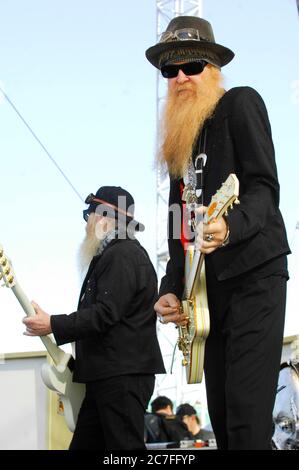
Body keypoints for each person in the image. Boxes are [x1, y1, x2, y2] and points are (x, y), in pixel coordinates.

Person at [146, 16, 291, 450]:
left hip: (254, 277)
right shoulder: (178, 146)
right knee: (225, 423)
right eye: (170, 70)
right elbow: (179, 233)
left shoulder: (240, 104)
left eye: (191, 65)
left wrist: (231, 226)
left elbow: (265, 188)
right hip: (207, 297)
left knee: (248, 422)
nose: (180, 77)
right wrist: (172, 288)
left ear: (213, 68)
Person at [22, 185, 165, 451]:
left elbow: (105, 314)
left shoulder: (122, 254)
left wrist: (53, 323)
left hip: (120, 377)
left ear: (102, 218)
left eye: (88, 216)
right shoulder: (118, 255)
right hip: (109, 376)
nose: (86, 224)